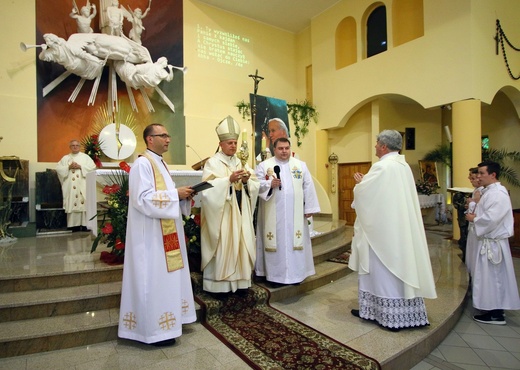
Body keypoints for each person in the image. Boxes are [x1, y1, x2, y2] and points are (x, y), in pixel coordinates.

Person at [348, 129, 437, 331]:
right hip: (398, 230)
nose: (375, 146)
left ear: (384, 146)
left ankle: (387, 316)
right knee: (396, 267)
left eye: (377, 142)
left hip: (382, 234)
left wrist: (360, 184)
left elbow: (366, 195)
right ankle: (379, 311)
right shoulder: (402, 166)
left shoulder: (383, 167)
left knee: (382, 270)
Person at [119, 123, 196, 346]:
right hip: (150, 237)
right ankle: (152, 331)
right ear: (150, 139)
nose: (168, 139)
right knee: (152, 280)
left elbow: (162, 195)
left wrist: (181, 197)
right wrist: (175, 194)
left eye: (168, 134)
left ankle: (168, 325)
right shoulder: (142, 164)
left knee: (165, 279)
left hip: (165, 234)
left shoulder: (160, 163)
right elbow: (142, 199)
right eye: (163, 135)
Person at [200, 116, 260, 295]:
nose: (233, 146)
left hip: (241, 211)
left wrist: (248, 181)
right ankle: (219, 285)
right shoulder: (213, 162)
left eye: (235, 142)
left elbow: (255, 184)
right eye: (229, 143)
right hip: (224, 215)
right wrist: (228, 180)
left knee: (241, 244)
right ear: (221, 144)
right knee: (224, 244)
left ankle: (241, 282)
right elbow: (207, 189)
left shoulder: (241, 161)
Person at [255, 137, 320, 286]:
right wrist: (269, 184)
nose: (284, 151)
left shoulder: (300, 165)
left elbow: (308, 186)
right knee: (276, 244)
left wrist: (310, 207)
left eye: (286, 148)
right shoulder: (264, 166)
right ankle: (275, 277)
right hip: (273, 213)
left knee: (294, 243)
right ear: (274, 149)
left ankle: (296, 275)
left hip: (294, 214)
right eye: (281, 148)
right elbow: (256, 185)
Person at [465, 160, 520, 325]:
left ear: (493, 174)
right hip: (488, 241)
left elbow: (492, 219)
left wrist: (474, 218)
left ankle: (496, 313)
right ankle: (489, 308)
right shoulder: (489, 191)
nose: (479, 177)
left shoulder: (498, 194)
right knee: (488, 278)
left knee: (494, 278)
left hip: (493, 243)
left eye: (482, 173)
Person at [56, 139, 97, 232]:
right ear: (70, 147)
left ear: (79, 147)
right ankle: (73, 225)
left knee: (83, 202)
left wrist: (81, 167)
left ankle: (85, 225)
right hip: (71, 185)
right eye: (73, 145)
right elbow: (58, 169)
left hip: (82, 184)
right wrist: (68, 167)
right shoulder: (65, 158)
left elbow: (93, 167)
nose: (75, 147)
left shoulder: (85, 157)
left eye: (77, 145)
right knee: (72, 201)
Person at [452, 167, 481, 262]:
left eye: (472, 177)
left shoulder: (481, 191)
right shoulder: (476, 190)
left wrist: (471, 203)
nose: (469, 179)